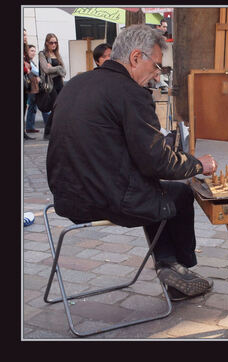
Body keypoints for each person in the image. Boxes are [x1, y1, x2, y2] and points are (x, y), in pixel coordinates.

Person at [46, 25, 218, 302]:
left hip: (66, 198)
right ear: (136, 58)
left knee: (154, 189)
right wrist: (199, 164)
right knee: (180, 193)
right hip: (106, 200)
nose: (157, 74)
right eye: (157, 66)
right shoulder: (130, 93)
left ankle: (169, 264)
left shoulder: (75, 84)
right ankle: (176, 267)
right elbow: (158, 163)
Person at [39, 33, 66, 140]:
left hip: (60, 84)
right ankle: (47, 131)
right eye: (51, 42)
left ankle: (57, 130)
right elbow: (46, 69)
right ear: (47, 43)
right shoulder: (43, 54)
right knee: (56, 107)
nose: (54, 44)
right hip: (51, 85)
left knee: (62, 107)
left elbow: (64, 71)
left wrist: (55, 69)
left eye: (55, 42)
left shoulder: (57, 55)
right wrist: (58, 69)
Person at [25, 44, 50, 133]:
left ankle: (29, 127)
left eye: (34, 51)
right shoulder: (28, 62)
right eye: (32, 51)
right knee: (43, 105)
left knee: (32, 107)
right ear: (27, 51)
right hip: (33, 87)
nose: (34, 53)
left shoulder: (31, 61)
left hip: (33, 87)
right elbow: (36, 71)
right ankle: (48, 126)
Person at [23, 29, 34, 140]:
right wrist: (26, 68)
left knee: (24, 107)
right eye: (23, 35)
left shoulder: (24, 49)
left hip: (25, 82)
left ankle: (23, 132)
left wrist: (27, 66)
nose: (25, 37)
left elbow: (28, 65)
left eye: (26, 35)